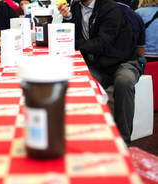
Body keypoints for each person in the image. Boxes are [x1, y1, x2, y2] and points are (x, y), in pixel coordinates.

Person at [58, 0, 142, 145]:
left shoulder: (110, 8)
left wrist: (70, 42)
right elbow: (73, 34)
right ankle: (87, 137)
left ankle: (123, 142)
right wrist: (68, 19)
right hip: (98, 65)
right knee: (77, 79)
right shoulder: (75, 8)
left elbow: (103, 43)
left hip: (123, 61)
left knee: (124, 81)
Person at [115, 0, 146, 72]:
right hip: (127, 62)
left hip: (102, 61)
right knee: (142, 59)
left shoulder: (101, 12)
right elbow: (141, 52)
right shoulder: (136, 16)